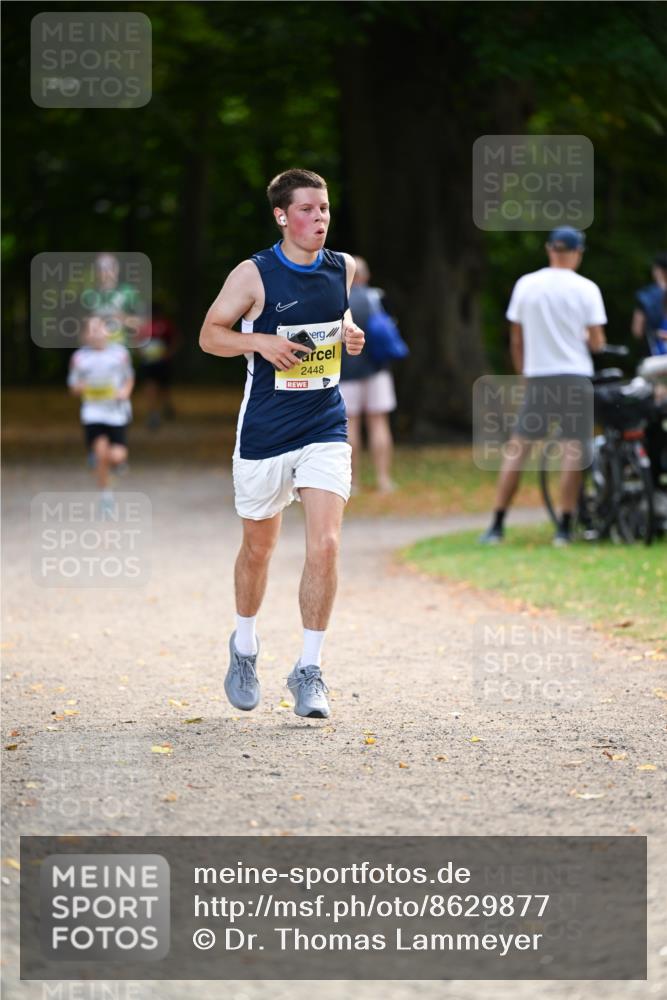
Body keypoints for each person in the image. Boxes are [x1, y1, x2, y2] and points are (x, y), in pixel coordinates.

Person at [199, 168, 365, 719]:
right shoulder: (254, 274)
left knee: (327, 545)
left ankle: (309, 669)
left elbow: (335, 319)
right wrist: (261, 341)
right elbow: (210, 335)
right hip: (266, 431)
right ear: (281, 215)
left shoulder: (344, 268)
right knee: (259, 550)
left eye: (324, 209)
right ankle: (244, 646)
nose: (320, 218)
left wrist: (349, 332)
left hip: (324, 424)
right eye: (308, 210)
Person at [480, 226, 607, 547]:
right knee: (572, 451)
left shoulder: (527, 284)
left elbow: (516, 339)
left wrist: (524, 373)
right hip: (575, 377)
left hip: (538, 377)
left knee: (518, 450)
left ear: (550, 249)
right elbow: (597, 342)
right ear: (577, 253)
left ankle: (496, 523)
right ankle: (564, 527)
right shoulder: (587, 288)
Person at [338, 256, 397, 493]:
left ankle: (353, 483)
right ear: (366, 276)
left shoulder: (338, 302)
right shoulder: (377, 298)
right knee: (379, 424)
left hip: (345, 373)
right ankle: (384, 479)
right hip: (377, 370)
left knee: (350, 426)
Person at [68, 315, 134, 514]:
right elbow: (72, 386)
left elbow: (129, 378)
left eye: (100, 328)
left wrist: (124, 392)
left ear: (108, 331)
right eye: (91, 330)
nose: (96, 333)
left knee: (117, 455)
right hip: (92, 413)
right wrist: (80, 388)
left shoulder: (120, 354)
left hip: (116, 413)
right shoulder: (79, 358)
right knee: (100, 453)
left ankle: (114, 463)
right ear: (85, 335)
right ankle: (106, 496)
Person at [137, 302, 181, 429]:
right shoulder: (143, 327)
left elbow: (176, 339)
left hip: (163, 361)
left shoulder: (166, 325)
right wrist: (141, 353)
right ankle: (153, 413)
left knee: (164, 388)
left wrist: (168, 353)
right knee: (150, 387)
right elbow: (136, 341)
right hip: (148, 362)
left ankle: (167, 406)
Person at [631, 252, 667, 357]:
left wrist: (655, 334)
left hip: (654, 358)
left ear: (658, 270)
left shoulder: (646, 296)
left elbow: (637, 331)